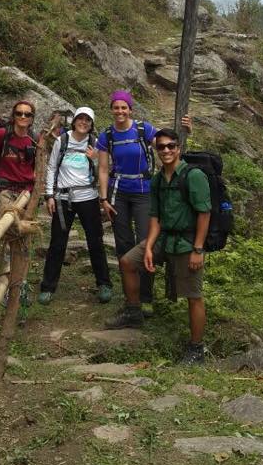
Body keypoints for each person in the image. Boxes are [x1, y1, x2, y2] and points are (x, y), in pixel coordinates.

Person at [106, 127, 211, 366]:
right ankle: (134, 311)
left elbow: (205, 213)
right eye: (161, 146)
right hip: (164, 239)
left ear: (178, 148)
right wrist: (150, 246)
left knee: (193, 296)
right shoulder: (157, 180)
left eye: (170, 146)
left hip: (186, 242)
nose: (166, 150)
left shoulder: (193, 176)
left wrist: (198, 249)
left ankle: (197, 349)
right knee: (127, 262)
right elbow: (155, 217)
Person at [97, 91, 192, 317]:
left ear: (130, 109)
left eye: (124, 107)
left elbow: (168, 146)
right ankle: (132, 298)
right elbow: (102, 169)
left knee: (144, 243)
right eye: (116, 107)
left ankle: (146, 297)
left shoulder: (143, 129)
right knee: (123, 245)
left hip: (144, 192)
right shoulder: (106, 135)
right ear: (111, 109)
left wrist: (186, 131)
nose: (120, 111)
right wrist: (103, 199)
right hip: (118, 193)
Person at [39, 107, 112, 305]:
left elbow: (103, 171)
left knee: (95, 241)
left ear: (92, 124)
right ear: (74, 121)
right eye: (80, 119)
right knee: (57, 243)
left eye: (87, 120)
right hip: (63, 198)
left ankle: (104, 284)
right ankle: (47, 287)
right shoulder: (62, 141)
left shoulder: (95, 143)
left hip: (88, 196)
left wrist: (95, 160)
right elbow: (52, 167)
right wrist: (49, 195)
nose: (83, 122)